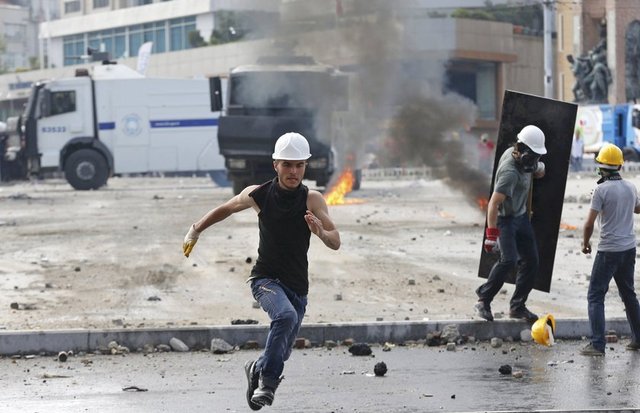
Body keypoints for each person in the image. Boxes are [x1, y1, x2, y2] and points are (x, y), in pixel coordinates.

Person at [182, 132, 340, 409]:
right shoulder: (259, 194)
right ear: (275, 165)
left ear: (305, 166)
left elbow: (335, 241)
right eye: (287, 164)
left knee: (282, 351)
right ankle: (267, 383)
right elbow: (227, 208)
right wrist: (195, 230)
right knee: (285, 316)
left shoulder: (312, 200)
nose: (293, 172)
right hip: (266, 279)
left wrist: (320, 233)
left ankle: (257, 368)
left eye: (299, 165)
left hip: (298, 287)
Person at [474, 125, 547, 323]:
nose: (534, 161)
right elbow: (493, 204)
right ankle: (483, 300)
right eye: (532, 157)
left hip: (521, 216)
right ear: (521, 150)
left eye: (537, 157)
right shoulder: (509, 172)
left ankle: (517, 306)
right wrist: (491, 235)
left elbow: (537, 171)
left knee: (532, 261)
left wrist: (538, 167)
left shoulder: (526, 160)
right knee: (508, 260)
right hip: (505, 220)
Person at [579, 143, 640, 356]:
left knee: (595, 295)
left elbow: (588, 224)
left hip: (608, 251)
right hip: (628, 249)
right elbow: (638, 209)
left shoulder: (600, 190)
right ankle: (638, 339)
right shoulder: (630, 187)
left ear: (600, 168)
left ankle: (597, 345)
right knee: (628, 294)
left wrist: (585, 243)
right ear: (620, 166)